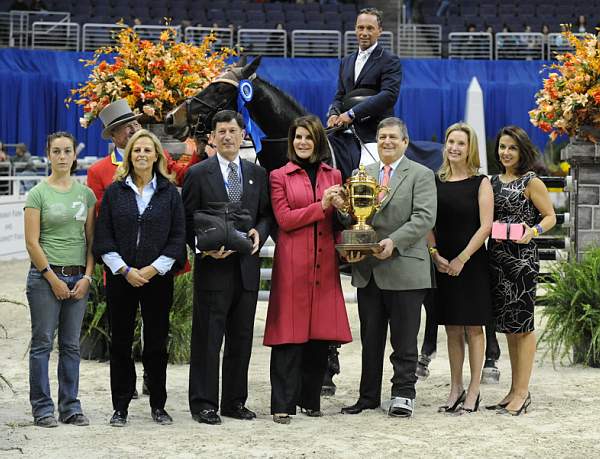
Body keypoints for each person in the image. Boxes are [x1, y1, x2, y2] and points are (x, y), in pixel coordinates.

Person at [340, 117, 436, 418]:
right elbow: (355, 218)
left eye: (393, 137)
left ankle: (403, 394)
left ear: (405, 142)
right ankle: (367, 396)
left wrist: (394, 241)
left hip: (405, 267)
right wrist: (341, 209)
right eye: (382, 137)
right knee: (370, 340)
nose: (387, 142)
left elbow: (423, 218)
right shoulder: (362, 174)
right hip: (368, 270)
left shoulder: (420, 174)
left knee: (405, 340)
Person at [182, 110, 273, 426]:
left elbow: (265, 214)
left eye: (232, 131)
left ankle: (235, 401)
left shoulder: (257, 174)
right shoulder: (197, 174)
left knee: (241, 338)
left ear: (242, 135)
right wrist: (203, 248)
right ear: (212, 137)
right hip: (213, 269)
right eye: (221, 131)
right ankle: (204, 403)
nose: (227, 137)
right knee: (208, 338)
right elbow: (186, 220)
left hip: (246, 269)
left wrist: (261, 232)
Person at [93, 129, 186, 427]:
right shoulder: (114, 191)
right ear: (129, 155)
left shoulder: (169, 193)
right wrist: (124, 270)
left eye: (148, 150)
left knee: (157, 344)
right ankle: (120, 406)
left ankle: (158, 404)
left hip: (157, 278)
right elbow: (103, 235)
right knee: (120, 343)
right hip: (122, 278)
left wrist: (152, 269)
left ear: (157, 155)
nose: (142, 155)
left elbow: (177, 237)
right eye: (137, 150)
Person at [264, 115, 352, 425]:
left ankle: (310, 400)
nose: (302, 142)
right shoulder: (279, 176)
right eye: (298, 137)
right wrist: (323, 206)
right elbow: (285, 220)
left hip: (325, 262)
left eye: (308, 138)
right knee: (288, 336)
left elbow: (340, 222)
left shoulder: (335, 174)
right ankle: (282, 404)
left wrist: (343, 212)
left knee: (319, 337)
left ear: (318, 142)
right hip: (293, 264)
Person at [24, 132, 96, 427]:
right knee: (42, 344)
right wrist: (51, 278)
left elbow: (91, 241)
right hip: (45, 278)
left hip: (77, 276)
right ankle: (42, 408)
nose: (63, 156)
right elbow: (31, 242)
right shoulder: (37, 194)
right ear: (49, 155)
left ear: (74, 156)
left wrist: (88, 277)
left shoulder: (85, 194)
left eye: (67, 151)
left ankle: (70, 407)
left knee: (71, 346)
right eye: (57, 151)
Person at [486, 126, 556, 416]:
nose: (506, 152)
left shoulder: (531, 181)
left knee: (523, 327)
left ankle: (523, 393)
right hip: (497, 258)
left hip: (523, 259)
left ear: (522, 150)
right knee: (509, 328)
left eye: (512, 148)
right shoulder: (491, 182)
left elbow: (551, 216)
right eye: (502, 147)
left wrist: (534, 230)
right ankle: (513, 389)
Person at [428, 123, 493, 414]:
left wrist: (462, 258)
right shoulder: (435, 181)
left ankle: (475, 389)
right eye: (450, 142)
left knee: (473, 327)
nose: (454, 147)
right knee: (452, 328)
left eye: (461, 143)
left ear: (470, 149)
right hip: (443, 262)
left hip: (472, 262)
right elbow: (428, 221)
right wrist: (435, 255)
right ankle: (456, 387)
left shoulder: (481, 182)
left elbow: (486, 226)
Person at [87, 99, 200, 213]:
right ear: (113, 135)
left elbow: (184, 178)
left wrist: (199, 152)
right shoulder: (97, 171)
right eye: (127, 126)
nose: (134, 130)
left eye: (136, 124)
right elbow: (101, 213)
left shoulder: (159, 155)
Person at [326, 7, 402, 172]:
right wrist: (333, 112)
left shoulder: (390, 60)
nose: (364, 33)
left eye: (370, 28)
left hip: (373, 132)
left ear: (379, 31)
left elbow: (389, 96)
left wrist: (352, 113)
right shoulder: (346, 61)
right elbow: (340, 95)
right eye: (361, 28)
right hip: (344, 131)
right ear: (355, 29)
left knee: (369, 177)